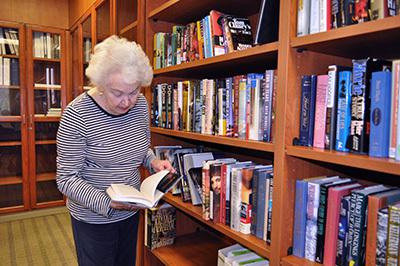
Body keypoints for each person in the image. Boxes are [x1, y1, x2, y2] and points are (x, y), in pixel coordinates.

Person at [56, 35, 174, 266]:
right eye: (117, 93)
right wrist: (107, 202)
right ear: (99, 84)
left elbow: (141, 148)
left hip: (130, 210)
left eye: (134, 91)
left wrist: (153, 163)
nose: (127, 102)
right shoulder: (77, 115)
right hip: (92, 218)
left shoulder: (140, 105)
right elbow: (66, 179)